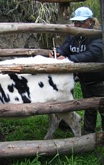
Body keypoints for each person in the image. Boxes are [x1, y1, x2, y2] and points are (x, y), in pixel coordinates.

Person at [49, 6, 104, 135]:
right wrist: (57, 53)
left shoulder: (97, 34)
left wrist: (68, 59)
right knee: (89, 107)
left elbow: (93, 54)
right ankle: (88, 134)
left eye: (80, 22)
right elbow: (66, 47)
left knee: (103, 108)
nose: (77, 24)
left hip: (99, 79)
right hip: (86, 79)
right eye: (75, 22)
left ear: (90, 21)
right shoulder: (75, 36)